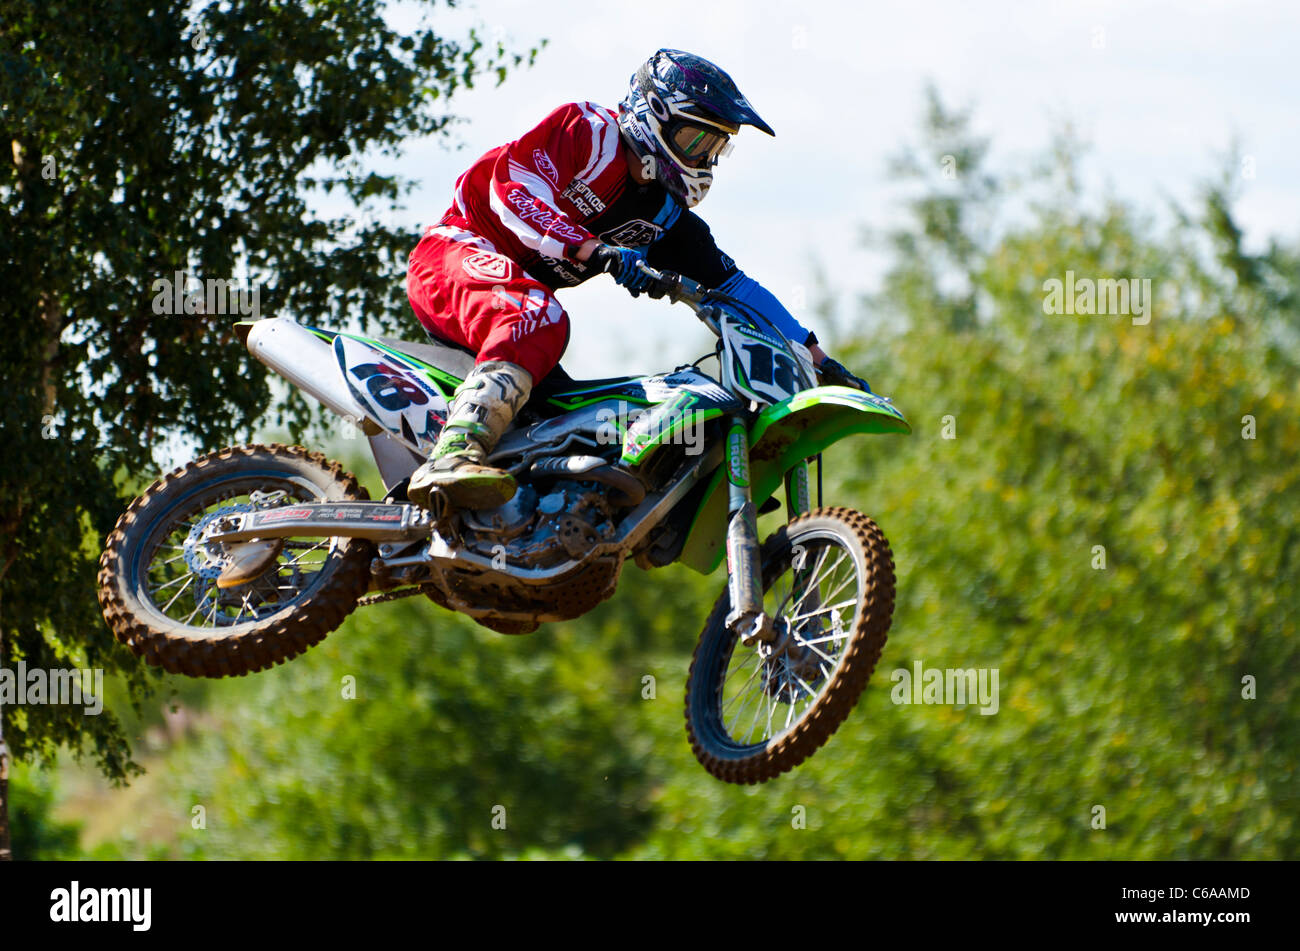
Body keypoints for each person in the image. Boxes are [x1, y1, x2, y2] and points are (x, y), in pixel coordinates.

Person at [404, 48, 870, 510]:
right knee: (541, 315)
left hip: (516, 317)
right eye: (695, 141)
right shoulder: (587, 131)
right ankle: (453, 454)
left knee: (570, 422)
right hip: (456, 253)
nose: (704, 159)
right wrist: (593, 248)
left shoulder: (663, 214)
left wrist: (819, 359)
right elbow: (512, 192)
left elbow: (734, 288)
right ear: (655, 115)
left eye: (715, 148)